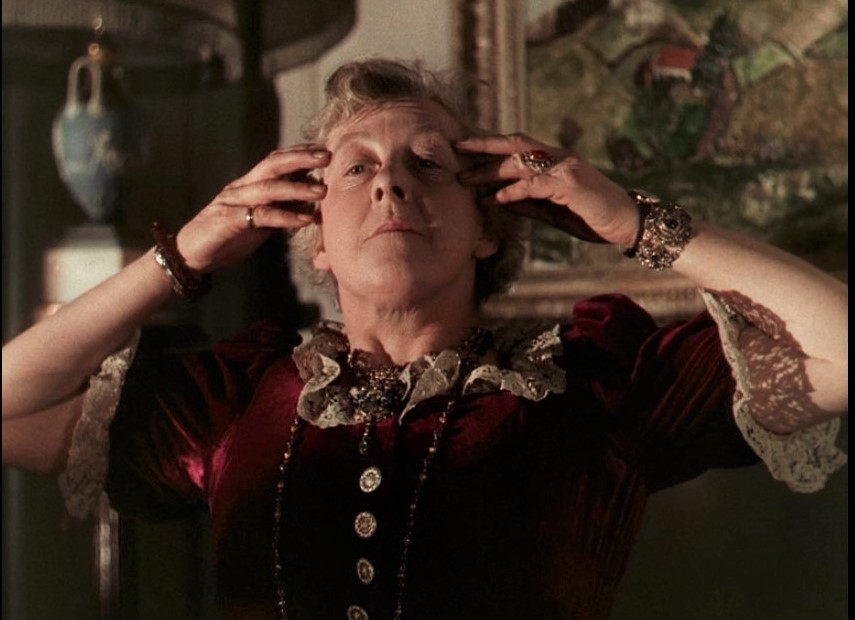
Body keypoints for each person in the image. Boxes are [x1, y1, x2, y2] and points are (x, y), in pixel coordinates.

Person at [1, 57, 848, 620]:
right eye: (357, 167)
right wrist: (183, 255)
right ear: (314, 237)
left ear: (486, 229)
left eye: (428, 163)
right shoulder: (237, 396)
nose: (391, 184)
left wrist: (631, 222)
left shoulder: (598, 377)